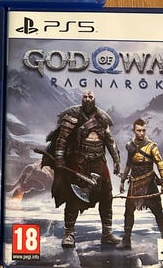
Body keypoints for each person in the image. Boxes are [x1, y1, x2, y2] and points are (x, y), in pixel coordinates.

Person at [43, 91, 121, 247]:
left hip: (99, 162)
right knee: (73, 197)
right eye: (85, 97)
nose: (88, 99)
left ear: (94, 99)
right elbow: (62, 139)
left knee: (107, 196)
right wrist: (59, 158)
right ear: (82, 99)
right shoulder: (72, 115)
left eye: (90, 97)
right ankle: (69, 234)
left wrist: (116, 160)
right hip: (79, 162)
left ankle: (107, 234)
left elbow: (110, 141)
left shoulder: (102, 118)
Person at [117, 118, 163, 250]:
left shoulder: (152, 146)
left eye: (143, 130)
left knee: (158, 211)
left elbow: (160, 164)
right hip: (134, 183)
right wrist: (122, 181)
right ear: (134, 130)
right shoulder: (130, 146)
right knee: (128, 212)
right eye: (139, 130)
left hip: (149, 183)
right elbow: (128, 164)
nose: (141, 133)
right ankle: (126, 240)